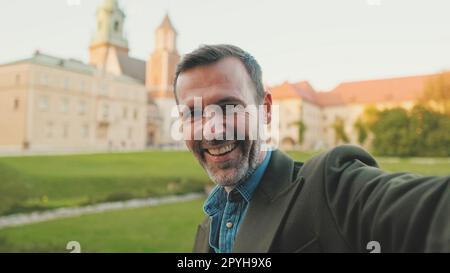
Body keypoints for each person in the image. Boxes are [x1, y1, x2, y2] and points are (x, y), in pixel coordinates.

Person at [172, 44, 450, 253]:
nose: (213, 130)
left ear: (266, 110)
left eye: (227, 107)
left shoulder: (329, 187)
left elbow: (430, 212)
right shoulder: (209, 227)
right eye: (193, 113)